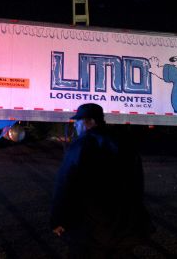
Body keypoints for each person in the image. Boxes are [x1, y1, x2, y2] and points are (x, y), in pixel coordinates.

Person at [51, 103, 154, 258]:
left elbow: (65, 184)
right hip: (123, 227)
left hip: (89, 230)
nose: (76, 126)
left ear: (90, 121)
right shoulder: (124, 143)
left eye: (78, 121)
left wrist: (57, 219)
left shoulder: (81, 146)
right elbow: (137, 182)